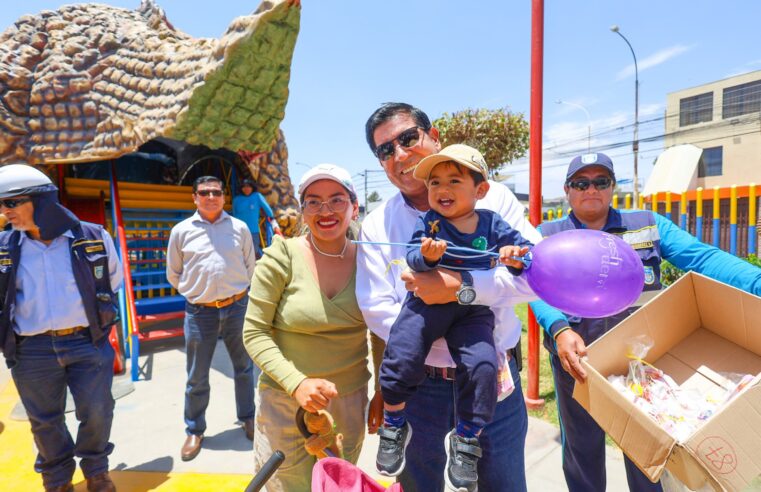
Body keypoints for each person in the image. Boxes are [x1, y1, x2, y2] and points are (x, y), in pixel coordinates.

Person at [529, 152, 761, 492]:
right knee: (582, 453)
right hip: (578, 363)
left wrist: (756, 282)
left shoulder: (647, 224)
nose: (590, 189)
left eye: (600, 181)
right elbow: (532, 288)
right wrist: (558, 328)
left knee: (647, 456)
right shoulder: (546, 234)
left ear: (612, 187)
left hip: (640, 363)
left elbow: (703, 258)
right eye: (581, 182)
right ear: (567, 190)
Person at [356, 102, 541, 492]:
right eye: (385, 150)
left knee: (504, 484)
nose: (400, 154)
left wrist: (460, 290)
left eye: (408, 138)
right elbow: (376, 309)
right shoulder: (377, 223)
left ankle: (468, 438)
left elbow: (536, 275)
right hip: (419, 388)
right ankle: (395, 429)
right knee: (418, 484)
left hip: (491, 375)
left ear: (433, 136)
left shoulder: (496, 204)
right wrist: (431, 327)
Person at [244, 163, 383, 492]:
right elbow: (253, 333)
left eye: (337, 200)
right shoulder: (281, 257)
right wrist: (297, 384)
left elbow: (380, 332)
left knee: (336, 485)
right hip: (284, 402)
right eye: (314, 202)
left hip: (348, 403)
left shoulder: (370, 260)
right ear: (302, 209)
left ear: (354, 207)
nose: (326, 211)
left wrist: (382, 389)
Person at [0, 164, 123, 492]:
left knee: (98, 411)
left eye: (11, 203)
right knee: (44, 422)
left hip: (87, 342)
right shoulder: (4, 247)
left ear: (40, 202)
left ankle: (96, 471)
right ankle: (58, 480)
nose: (5, 211)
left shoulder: (94, 237)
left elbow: (112, 282)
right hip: (30, 350)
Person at [166, 176, 257, 462]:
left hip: (236, 308)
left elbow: (250, 265)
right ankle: (195, 430)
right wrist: (195, 293)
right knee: (197, 376)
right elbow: (174, 273)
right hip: (199, 313)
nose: (210, 196)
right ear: (194, 198)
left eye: (216, 192)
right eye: (204, 192)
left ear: (223, 196)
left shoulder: (239, 228)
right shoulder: (181, 232)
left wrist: (238, 292)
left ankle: (248, 418)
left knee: (244, 369)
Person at [232, 178, 278, 258]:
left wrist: (272, 219)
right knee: (238, 255)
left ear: (252, 187)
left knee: (252, 253)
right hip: (238, 232)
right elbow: (234, 215)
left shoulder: (257, 196)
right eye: (244, 187)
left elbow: (267, 209)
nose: (246, 189)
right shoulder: (236, 200)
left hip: (252, 232)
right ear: (241, 188)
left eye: (248, 186)